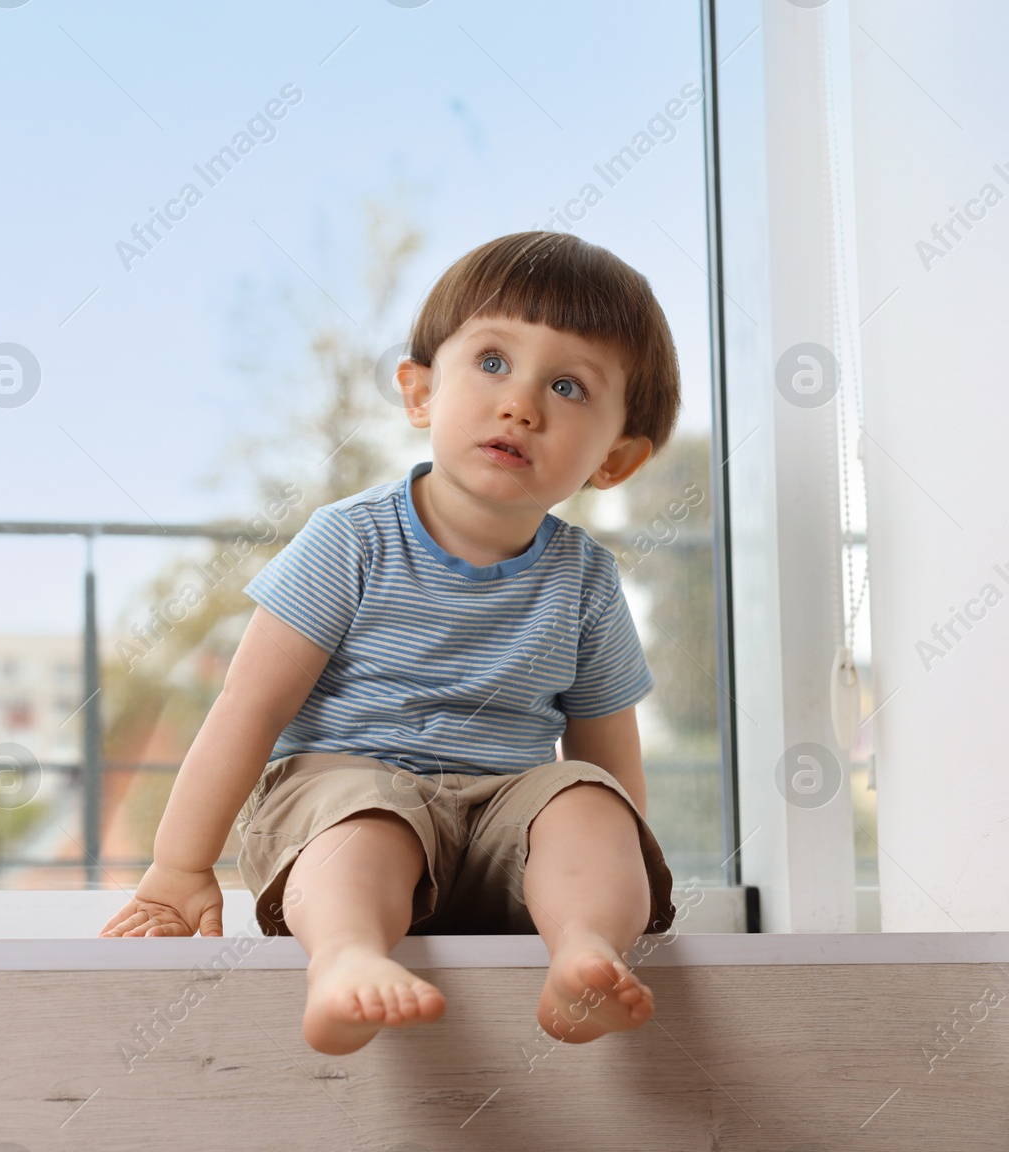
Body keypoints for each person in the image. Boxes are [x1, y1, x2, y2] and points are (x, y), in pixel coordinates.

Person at [100, 230, 682, 1056]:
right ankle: (342, 960)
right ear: (418, 392)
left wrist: (617, 864)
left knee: (585, 799)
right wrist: (178, 869)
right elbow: (249, 708)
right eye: (491, 362)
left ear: (616, 459)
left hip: (498, 833)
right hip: (347, 800)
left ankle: (585, 952)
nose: (521, 403)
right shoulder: (352, 541)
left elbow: (607, 758)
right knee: (366, 819)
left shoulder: (584, 579)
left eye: (567, 385)